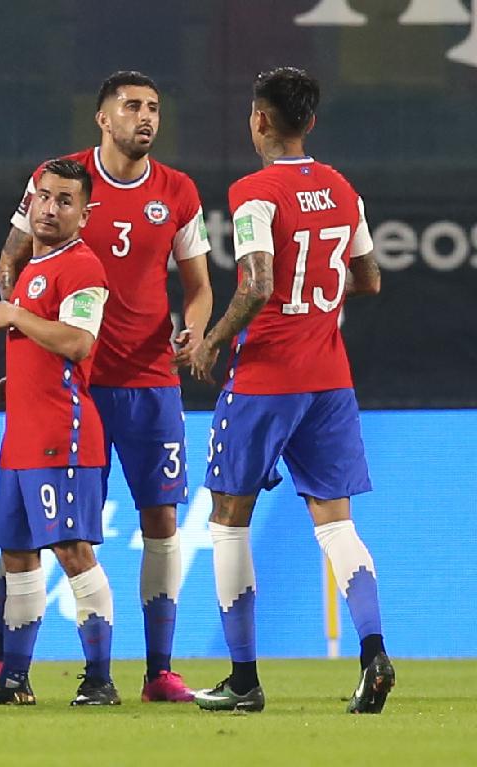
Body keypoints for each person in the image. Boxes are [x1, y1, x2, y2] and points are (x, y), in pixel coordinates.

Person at [0, 70, 212, 703]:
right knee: (28, 531)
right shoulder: (57, 182)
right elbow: (12, 260)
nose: (145, 117)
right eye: (131, 106)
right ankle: (4, 662)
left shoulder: (177, 191)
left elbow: (197, 288)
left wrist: (194, 332)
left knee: (160, 521)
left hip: (148, 384)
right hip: (71, 387)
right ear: (102, 116)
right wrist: (27, 326)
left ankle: (157, 670)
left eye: (153, 107)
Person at [176, 67, 393, 714]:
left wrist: (212, 340)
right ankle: (374, 651)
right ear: (311, 123)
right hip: (329, 377)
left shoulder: (254, 191)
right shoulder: (341, 187)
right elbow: (370, 278)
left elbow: (258, 282)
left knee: (228, 519)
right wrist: (319, 298)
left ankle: (243, 678)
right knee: (336, 523)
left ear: (260, 120)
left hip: (267, 377)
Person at [0, 159, 117, 706]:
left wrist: (15, 316)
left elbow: (77, 344)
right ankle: (14, 679)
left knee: (71, 551)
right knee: (18, 555)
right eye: (43, 198)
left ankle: (99, 679)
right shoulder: (33, 269)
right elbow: (41, 359)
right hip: (20, 438)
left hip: (61, 437)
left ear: (84, 213)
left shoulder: (83, 268)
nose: (50, 208)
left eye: (64, 200)